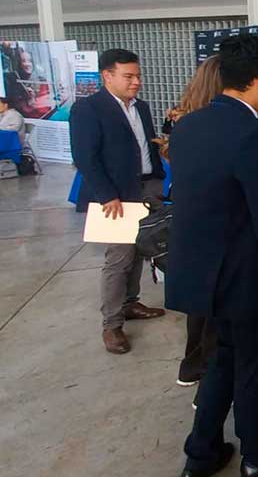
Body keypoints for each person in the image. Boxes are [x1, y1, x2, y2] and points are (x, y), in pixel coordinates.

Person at [166, 34, 258, 477]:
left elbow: (213, 199)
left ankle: (201, 452)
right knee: (255, 369)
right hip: (249, 280)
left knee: (224, 361)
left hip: (205, 275)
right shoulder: (256, 137)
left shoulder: (189, 126)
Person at [69, 48, 166, 355]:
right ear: (106, 76)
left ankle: (130, 303)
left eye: (138, 75)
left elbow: (145, 144)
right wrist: (106, 194)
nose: (136, 81)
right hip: (116, 194)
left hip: (147, 186)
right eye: (128, 76)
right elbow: (85, 157)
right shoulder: (89, 109)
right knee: (119, 258)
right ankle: (111, 325)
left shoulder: (143, 107)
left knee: (142, 249)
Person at [157, 56, 224, 389]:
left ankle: (192, 366)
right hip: (211, 227)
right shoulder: (211, 126)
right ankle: (208, 381)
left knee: (200, 307)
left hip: (188, 223)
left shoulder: (183, 120)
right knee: (214, 311)